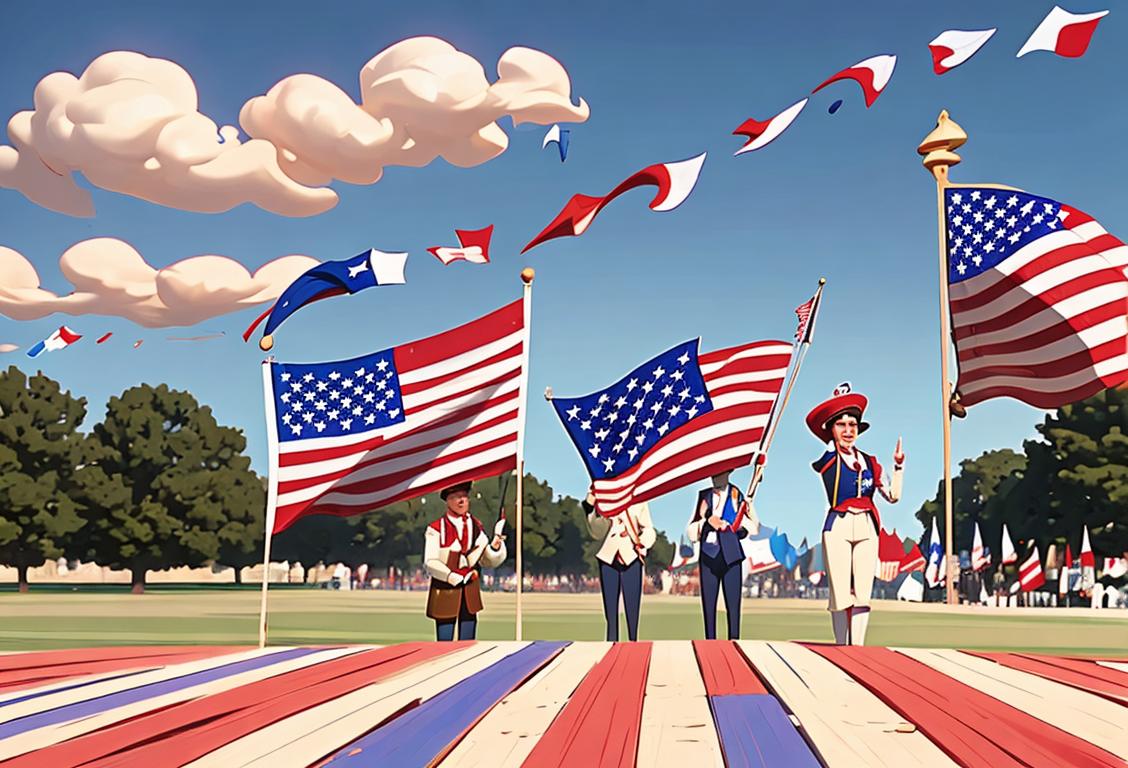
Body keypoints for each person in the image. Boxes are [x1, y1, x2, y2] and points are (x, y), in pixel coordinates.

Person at [806, 383, 904, 646]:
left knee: (863, 591)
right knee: (839, 591)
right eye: (841, 424)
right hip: (838, 524)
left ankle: (857, 648)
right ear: (831, 429)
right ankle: (841, 646)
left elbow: (893, 496)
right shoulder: (830, 456)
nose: (848, 431)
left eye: (853, 424)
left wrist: (898, 466)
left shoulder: (871, 462)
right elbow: (821, 438)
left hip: (866, 525)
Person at [423, 481, 507, 641]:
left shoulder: (476, 526)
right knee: (444, 645)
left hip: (470, 591)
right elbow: (430, 562)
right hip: (445, 591)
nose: (461, 501)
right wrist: (451, 576)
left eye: (464, 496)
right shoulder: (435, 529)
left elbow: (486, 560)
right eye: (455, 497)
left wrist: (495, 547)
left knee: (468, 643)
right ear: (447, 501)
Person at [686, 470, 755, 639]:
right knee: (708, 606)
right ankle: (709, 643)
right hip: (708, 555)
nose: (715, 476)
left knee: (733, 605)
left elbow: (751, 526)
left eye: (720, 472)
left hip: (731, 555)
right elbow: (692, 531)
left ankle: (735, 641)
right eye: (714, 472)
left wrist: (740, 527)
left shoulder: (737, 495)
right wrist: (707, 520)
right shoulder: (704, 496)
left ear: (728, 473)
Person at [583, 488, 656, 641]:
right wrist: (589, 508)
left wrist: (642, 543)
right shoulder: (604, 495)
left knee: (632, 606)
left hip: (631, 555)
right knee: (610, 609)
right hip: (607, 555)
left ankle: (633, 642)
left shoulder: (639, 498)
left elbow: (648, 528)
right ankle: (611, 642)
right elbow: (597, 531)